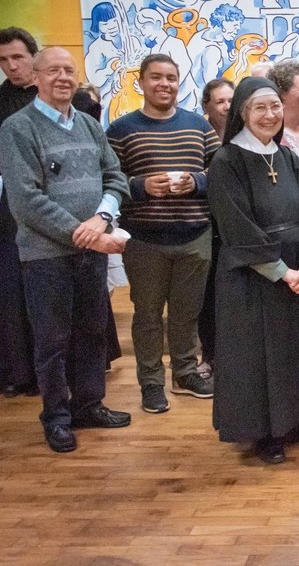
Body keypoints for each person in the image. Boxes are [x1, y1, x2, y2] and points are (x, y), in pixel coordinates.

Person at [0, 47, 131, 453]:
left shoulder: (88, 125)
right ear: (35, 78)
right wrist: (86, 233)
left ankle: (89, 405)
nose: (62, 78)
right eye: (53, 70)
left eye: (69, 70)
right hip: (45, 257)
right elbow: (26, 201)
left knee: (92, 332)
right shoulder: (18, 129)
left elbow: (115, 177)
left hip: (91, 252)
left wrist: (102, 218)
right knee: (52, 341)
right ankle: (56, 417)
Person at [208, 77, 299, 463]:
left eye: (274, 107)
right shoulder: (227, 161)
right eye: (260, 107)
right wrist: (282, 271)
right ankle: (266, 432)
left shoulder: (287, 157)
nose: (270, 115)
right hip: (255, 273)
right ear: (242, 113)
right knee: (260, 356)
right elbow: (234, 223)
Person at [106, 54, 219, 414]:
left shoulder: (199, 126)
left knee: (187, 313)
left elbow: (221, 170)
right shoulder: (120, 129)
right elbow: (107, 178)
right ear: (141, 82)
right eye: (156, 77)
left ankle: (185, 373)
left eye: (171, 77)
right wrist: (140, 186)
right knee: (148, 316)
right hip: (144, 239)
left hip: (195, 235)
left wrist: (196, 181)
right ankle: (151, 382)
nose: (164, 84)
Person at [0, 28, 40, 396]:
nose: (11, 66)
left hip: (61, 201)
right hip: (13, 207)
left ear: (33, 55)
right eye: (3, 59)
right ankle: (19, 371)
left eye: (18, 57)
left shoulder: (56, 93)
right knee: (13, 292)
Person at [197, 78, 235, 376]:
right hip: (206, 224)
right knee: (208, 295)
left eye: (231, 100)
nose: (226, 107)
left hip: (237, 228)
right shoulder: (197, 135)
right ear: (206, 106)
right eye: (220, 101)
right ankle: (209, 356)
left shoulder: (245, 135)